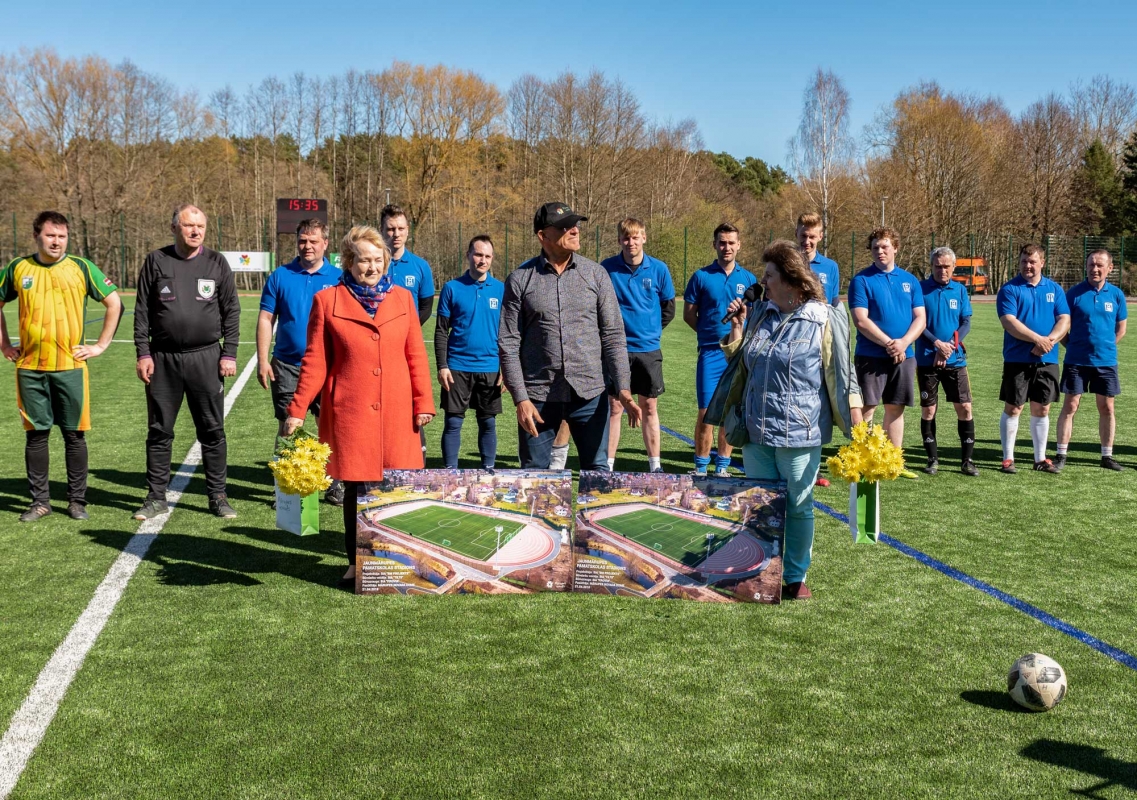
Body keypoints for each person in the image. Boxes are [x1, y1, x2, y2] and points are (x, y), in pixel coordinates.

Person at [283, 225, 435, 586]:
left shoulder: (403, 300)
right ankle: (356, 561)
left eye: (378, 260)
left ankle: (398, 557)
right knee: (355, 487)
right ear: (349, 262)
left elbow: (415, 354)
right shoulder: (327, 301)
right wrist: (297, 409)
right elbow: (315, 361)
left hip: (398, 410)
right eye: (364, 260)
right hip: (350, 410)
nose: (371, 267)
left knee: (397, 485)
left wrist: (423, 401)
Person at [707, 240, 858, 600]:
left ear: (791, 279)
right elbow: (741, 361)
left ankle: (793, 577)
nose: (763, 281)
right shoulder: (760, 311)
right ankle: (762, 570)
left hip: (800, 432)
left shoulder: (825, 317)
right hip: (756, 428)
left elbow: (843, 372)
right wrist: (738, 330)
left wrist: (857, 424)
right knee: (760, 502)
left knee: (798, 506)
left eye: (770, 275)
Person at [499, 202, 642, 471]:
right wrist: (521, 399)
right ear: (544, 236)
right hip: (538, 397)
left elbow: (612, 334)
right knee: (534, 478)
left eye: (575, 225)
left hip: (590, 394)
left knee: (597, 474)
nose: (575, 230)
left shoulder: (596, 275)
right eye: (565, 227)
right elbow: (508, 342)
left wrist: (623, 388)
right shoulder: (520, 279)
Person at [0, 210, 123, 522]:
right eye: (50, 235)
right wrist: (3, 344)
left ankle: (76, 501)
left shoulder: (81, 267)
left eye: (62, 236)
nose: (56, 242)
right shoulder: (18, 268)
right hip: (29, 367)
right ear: (37, 236)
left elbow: (114, 303)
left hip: (70, 367)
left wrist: (100, 345)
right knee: (36, 435)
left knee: (74, 435)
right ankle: (40, 502)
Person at [133, 204, 241, 520]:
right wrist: (143, 352)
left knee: (212, 430)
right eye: (188, 225)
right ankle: (155, 498)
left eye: (201, 226)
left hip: (206, 359)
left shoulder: (216, 262)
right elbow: (141, 311)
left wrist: (229, 353)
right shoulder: (156, 261)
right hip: (163, 360)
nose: (195, 231)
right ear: (175, 228)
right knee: (159, 431)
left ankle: (218, 496)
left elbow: (231, 311)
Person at [256, 218, 344, 503]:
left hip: (329, 365)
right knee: (288, 423)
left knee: (329, 425)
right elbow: (266, 318)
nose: (307, 246)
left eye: (313, 241)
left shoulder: (340, 278)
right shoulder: (280, 276)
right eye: (303, 241)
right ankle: (286, 486)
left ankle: (334, 484)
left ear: (325, 244)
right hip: (287, 364)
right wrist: (262, 359)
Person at [848, 228, 926, 473]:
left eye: (884, 246)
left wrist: (903, 343)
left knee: (895, 407)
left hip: (905, 356)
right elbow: (860, 320)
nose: (880, 251)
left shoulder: (910, 280)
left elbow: (920, 319)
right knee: (867, 408)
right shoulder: (861, 280)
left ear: (895, 247)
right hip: (871, 356)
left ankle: (893, 461)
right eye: (875, 248)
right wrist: (890, 344)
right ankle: (863, 460)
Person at [601, 218, 676, 473]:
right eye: (626, 237)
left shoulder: (659, 269)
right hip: (616, 349)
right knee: (615, 406)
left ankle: (655, 465)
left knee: (649, 406)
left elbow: (668, 308)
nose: (630, 242)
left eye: (635, 237)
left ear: (644, 238)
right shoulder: (607, 269)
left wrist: (650, 331)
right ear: (619, 240)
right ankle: (607, 465)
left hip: (648, 350)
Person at [683, 223, 757, 476]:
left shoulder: (748, 279)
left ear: (739, 245)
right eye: (722, 242)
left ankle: (722, 468)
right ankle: (701, 466)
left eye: (731, 242)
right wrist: (709, 336)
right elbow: (689, 316)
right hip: (711, 353)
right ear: (714, 244)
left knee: (730, 412)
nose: (726, 247)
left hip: (737, 355)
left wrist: (736, 337)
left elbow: (755, 317)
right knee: (705, 412)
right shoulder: (701, 276)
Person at [996, 244, 1070, 474]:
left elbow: (1064, 319)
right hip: (1017, 359)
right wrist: (1038, 340)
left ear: (1042, 263)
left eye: (1032, 262)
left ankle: (1040, 459)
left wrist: (1049, 341)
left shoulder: (1055, 289)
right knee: (1014, 407)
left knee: (1042, 409)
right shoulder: (1009, 289)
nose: (1028, 266)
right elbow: (1009, 321)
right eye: (1024, 262)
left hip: (1047, 360)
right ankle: (1008, 458)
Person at [1055, 249, 1127, 472]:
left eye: (1099, 265)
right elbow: (1062, 326)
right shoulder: (1074, 294)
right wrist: (1073, 347)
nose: (1095, 269)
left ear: (1110, 268)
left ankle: (1107, 456)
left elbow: (1121, 328)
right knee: (1070, 405)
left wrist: (1105, 347)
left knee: (1106, 407)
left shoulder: (1116, 295)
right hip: (1076, 361)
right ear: (1085, 267)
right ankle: (1061, 454)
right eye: (1091, 265)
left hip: (1106, 363)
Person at [436, 235, 504, 471]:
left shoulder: (501, 290)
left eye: (487, 256)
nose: (482, 260)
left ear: (492, 259)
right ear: (468, 255)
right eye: (478, 254)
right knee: (453, 422)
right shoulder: (451, 288)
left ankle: (488, 470)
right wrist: (442, 366)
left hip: (490, 368)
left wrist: (505, 367)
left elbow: (508, 333)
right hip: (457, 366)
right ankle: (450, 471)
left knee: (488, 423)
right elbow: (441, 331)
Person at [916, 247, 978, 476]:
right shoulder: (920, 289)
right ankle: (932, 459)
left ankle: (967, 461)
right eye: (938, 266)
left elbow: (966, 322)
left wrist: (950, 346)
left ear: (954, 267)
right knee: (929, 410)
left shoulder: (960, 290)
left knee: (964, 407)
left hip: (956, 360)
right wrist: (936, 345)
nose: (942, 270)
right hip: (927, 360)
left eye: (946, 266)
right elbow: (917, 323)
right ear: (931, 266)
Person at [380, 203, 435, 457]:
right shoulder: (373, 262)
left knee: (409, 398)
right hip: (375, 345)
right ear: (382, 231)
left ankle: (415, 451)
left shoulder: (420, 266)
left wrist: (404, 330)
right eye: (390, 229)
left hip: (405, 346)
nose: (396, 234)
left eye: (401, 228)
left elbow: (425, 306)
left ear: (408, 231)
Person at [796, 212, 840, 305]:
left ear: (820, 236)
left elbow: (834, 303)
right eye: (803, 236)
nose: (807, 241)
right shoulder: (785, 264)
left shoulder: (831, 266)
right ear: (796, 233)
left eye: (812, 237)